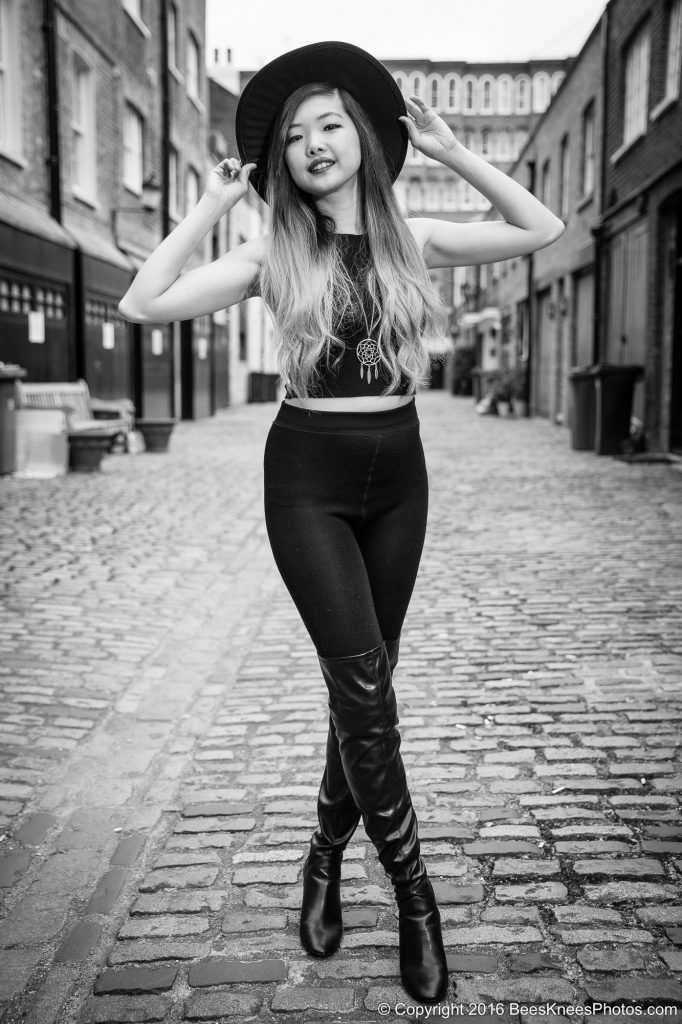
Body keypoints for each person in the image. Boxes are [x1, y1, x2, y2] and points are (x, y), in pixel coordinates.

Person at [118, 41, 563, 1005]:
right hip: (307, 478)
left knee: (367, 683)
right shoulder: (269, 251)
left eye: (330, 125)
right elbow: (142, 303)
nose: (314, 143)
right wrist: (209, 205)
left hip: (400, 473)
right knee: (364, 687)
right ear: (279, 159)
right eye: (294, 135)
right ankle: (415, 897)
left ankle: (324, 851)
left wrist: (451, 154)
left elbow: (542, 225)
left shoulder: (417, 240)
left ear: (360, 135)